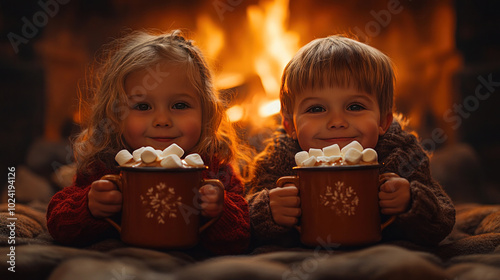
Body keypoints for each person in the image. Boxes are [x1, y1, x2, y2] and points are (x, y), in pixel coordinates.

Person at [46, 30, 250, 255]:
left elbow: (241, 235)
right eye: (143, 107)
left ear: (207, 112)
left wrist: (220, 211)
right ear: (115, 116)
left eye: (180, 105)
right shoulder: (104, 167)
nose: (162, 120)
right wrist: (89, 207)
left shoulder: (214, 169)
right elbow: (59, 224)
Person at [246, 35, 455, 247]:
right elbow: (242, 225)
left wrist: (411, 202)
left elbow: (443, 220)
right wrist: (267, 211)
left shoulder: (401, 154)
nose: (337, 122)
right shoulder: (278, 161)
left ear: (383, 121)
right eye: (316, 109)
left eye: (355, 107)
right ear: (290, 126)